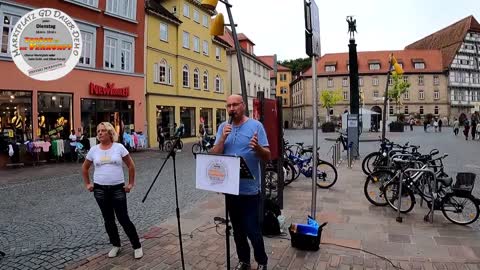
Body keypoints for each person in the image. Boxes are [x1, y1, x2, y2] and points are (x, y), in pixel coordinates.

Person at [211, 94, 271, 270]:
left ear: (243, 105)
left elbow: (267, 156)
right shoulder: (223, 126)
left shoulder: (256, 126)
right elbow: (214, 154)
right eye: (228, 106)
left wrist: (257, 148)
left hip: (250, 190)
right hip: (231, 190)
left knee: (253, 230)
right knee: (237, 231)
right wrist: (222, 138)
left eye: (235, 105)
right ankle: (244, 260)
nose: (231, 109)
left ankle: (262, 261)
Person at [81, 122, 143, 259]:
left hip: (117, 189)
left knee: (123, 218)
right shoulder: (94, 150)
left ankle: (137, 245)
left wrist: (131, 184)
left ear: (110, 133)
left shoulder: (119, 147)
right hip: (100, 190)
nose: (100, 133)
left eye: (103, 130)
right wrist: (88, 184)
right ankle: (116, 244)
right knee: (108, 219)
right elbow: (84, 168)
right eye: (98, 131)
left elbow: (131, 166)